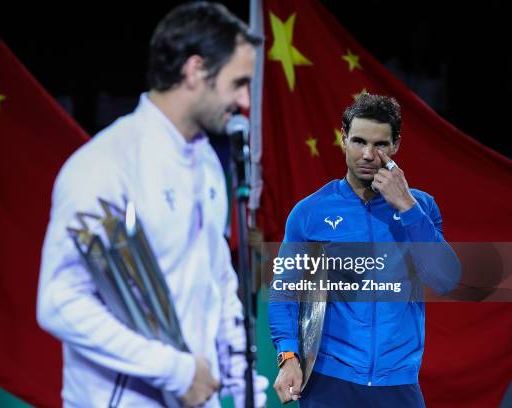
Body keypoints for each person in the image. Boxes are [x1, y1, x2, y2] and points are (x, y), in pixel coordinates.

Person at [37, 2, 267, 407]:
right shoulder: (105, 163)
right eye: (238, 83)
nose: (246, 101)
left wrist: (239, 375)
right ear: (195, 71)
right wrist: (175, 370)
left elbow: (216, 277)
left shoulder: (209, 163)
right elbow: (59, 302)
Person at [268, 94, 459, 407]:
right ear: (344, 141)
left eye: (380, 144)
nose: (368, 155)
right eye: (358, 141)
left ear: (396, 145)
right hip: (330, 381)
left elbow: (446, 279)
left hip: (398, 383)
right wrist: (288, 356)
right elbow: (284, 293)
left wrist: (407, 207)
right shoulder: (310, 212)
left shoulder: (421, 207)